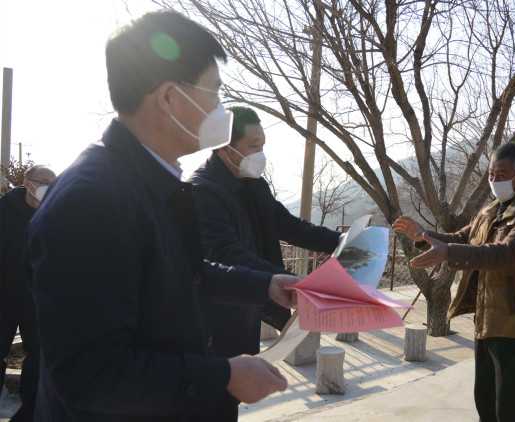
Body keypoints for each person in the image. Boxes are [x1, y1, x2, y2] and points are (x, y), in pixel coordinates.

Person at [28, 11, 299, 421]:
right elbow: (90, 375)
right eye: (214, 91)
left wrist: (266, 285)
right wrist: (222, 375)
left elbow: (185, 272)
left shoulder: (150, 179)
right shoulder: (93, 201)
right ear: (171, 98)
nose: (220, 108)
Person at [393, 143, 515, 422]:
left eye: (501, 173)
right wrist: (424, 236)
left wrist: (449, 253)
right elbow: (460, 239)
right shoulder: (491, 210)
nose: (494, 180)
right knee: (486, 406)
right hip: (486, 323)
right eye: (491, 174)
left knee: (511, 413)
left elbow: (508, 253)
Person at [191, 106, 341, 360]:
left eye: (263, 146)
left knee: (239, 386)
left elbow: (289, 226)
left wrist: (340, 241)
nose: (260, 154)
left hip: (248, 308)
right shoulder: (202, 192)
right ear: (225, 148)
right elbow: (227, 254)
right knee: (218, 390)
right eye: (253, 146)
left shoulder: (253, 185)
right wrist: (286, 281)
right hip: (215, 319)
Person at [0, 165, 56, 421]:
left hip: (36, 296)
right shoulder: (4, 210)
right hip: (4, 295)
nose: (46, 185)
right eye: (41, 180)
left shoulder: (54, 213)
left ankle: (30, 410)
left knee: (38, 354)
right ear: (27, 182)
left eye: (51, 181)